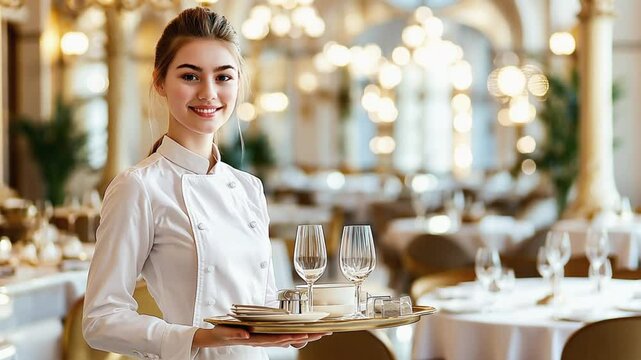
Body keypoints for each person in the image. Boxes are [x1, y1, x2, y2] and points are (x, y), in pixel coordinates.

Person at [83, 7, 329, 359]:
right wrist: (199, 337)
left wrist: (298, 322)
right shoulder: (138, 187)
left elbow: (264, 301)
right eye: (190, 76)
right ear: (159, 81)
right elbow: (100, 321)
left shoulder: (248, 188)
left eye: (224, 77)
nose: (209, 92)